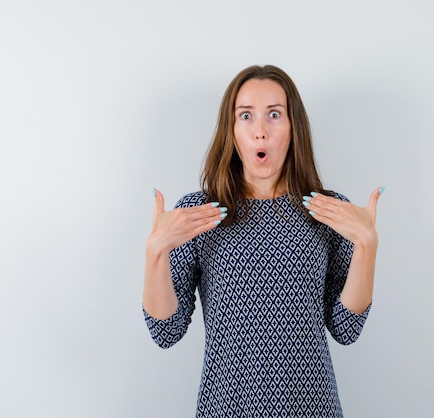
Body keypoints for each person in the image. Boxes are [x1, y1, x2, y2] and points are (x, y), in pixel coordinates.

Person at [142, 64, 383, 417]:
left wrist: (367, 246)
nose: (260, 132)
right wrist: (155, 251)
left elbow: (346, 329)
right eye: (246, 116)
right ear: (232, 131)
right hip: (226, 408)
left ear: (293, 127)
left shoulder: (328, 212)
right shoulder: (199, 213)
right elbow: (166, 330)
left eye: (274, 114)